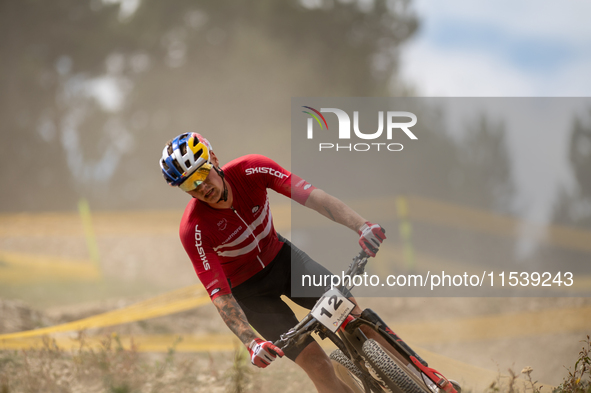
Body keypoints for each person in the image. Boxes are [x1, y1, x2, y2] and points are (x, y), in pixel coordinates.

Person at [160, 132, 386, 393]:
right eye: (190, 186)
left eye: (201, 175)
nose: (201, 187)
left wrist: (361, 225)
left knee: (359, 321)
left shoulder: (251, 169)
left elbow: (312, 196)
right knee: (318, 366)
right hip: (251, 294)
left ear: (213, 159)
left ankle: (430, 379)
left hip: (285, 263)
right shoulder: (194, 229)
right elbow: (220, 294)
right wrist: (251, 342)